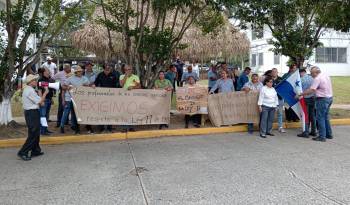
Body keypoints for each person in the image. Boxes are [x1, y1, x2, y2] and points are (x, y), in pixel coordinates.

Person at [18, 74, 49, 161]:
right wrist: (45, 93)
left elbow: (40, 102)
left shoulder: (30, 89)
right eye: (34, 80)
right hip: (31, 113)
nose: (36, 81)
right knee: (33, 133)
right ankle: (23, 152)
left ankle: (35, 150)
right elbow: (40, 102)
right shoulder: (30, 91)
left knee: (35, 132)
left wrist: (40, 93)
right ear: (30, 82)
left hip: (32, 112)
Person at [300, 66, 333, 142]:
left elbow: (311, 90)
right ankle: (328, 134)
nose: (311, 75)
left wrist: (301, 94)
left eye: (311, 73)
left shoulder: (317, 78)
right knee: (325, 117)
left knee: (320, 118)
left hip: (322, 99)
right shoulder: (325, 75)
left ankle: (322, 136)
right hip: (329, 98)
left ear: (316, 72)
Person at [60, 66, 90, 134]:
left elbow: (88, 85)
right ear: (76, 72)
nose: (80, 72)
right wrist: (68, 87)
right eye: (79, 71)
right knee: (66, 113)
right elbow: (63, 86)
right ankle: (62, 126)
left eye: (81, 71)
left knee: (75, 114)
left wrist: (87, 86)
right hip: (69, 98)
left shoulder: (84, 78)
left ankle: (75, 127)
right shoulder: (70, 78)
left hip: (79, 99)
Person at [94, 63, 120, 133]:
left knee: (110, 112)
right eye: (106, 67)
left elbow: (116, 85)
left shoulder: (113, 75)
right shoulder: (100, 75)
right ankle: (101, 128)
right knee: (102, 112)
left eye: (109, 67)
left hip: (111, 97)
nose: (108, 68)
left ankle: (109, 128)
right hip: (102, 96)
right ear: (104, 68)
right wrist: (93, 86)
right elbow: (95, 84)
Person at [119, 64, 141, 132]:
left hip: (133, 98)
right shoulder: (122, 76)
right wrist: (126, 76)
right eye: (126, 70)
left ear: (131, 70)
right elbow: (121, 84)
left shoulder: (136, 77)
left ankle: (131, 126)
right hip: (124, 97)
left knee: (132, 111)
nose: (127, 71)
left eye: (129, 69)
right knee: (124, 112)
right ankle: (124, 127)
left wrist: (133, 87)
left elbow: (139, 86)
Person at [297, 68, 317, 138]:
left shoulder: (301, 80)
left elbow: (299, 90)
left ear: (301, 73)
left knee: (306, 115)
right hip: (313, 98)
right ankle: (314, 131)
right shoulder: (312, 78)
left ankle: (306, 132)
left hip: (306, 98)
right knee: (312, 115)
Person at [52, 63, 72, 127]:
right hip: (62, 91)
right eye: (68, 68)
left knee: (68, 108)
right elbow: (53, 78)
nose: (70, 69)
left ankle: (66, 121)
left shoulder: (72, 73)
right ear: (64, 68)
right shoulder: (60, 73)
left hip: (71, 92)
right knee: (61, 108)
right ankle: (58, 122)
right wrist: (56, 86)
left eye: (70, 67)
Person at [37, 68, 55, 135]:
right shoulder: (41, 80)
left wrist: (51, 98)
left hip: (49, 99)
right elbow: (40, 91)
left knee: (46, 116)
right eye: (48, 71)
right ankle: (42, 131)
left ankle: (45, 129)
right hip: (44, 100)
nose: (49, 72)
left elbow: (49, 91)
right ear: (44, 72)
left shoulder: (48, 79)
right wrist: (41, 100)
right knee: (43, 115)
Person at [271, 68, 286, 133]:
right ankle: (269, 127)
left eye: (275, 72)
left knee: (280, 113)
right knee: (271, 113)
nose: (274, 73)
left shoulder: (281, 79)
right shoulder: (269, 79)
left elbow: (284, 88)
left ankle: (280, 127)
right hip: (271, 99)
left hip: (280, 98)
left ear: (277, 72)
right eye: (273, 72)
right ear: (271, 73)